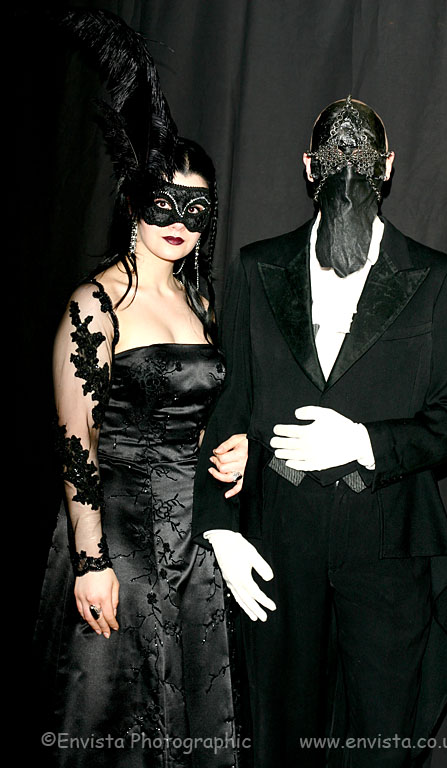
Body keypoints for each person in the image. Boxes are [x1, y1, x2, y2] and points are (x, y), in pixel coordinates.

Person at [193, 96, 447, 767]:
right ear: (307, 166)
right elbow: (227, 410)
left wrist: (366, 443)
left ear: (387, 166)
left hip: (387, 554)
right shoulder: (256, 269)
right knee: (280, 739)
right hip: (277, 552)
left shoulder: (436, 279)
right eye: (333, 158)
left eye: (361, 158)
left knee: (379, 743)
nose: (347, 169)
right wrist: (219, 528)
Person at [34, 11, 247, 768]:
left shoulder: (200, 303)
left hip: (191, 543)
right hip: (118, 536)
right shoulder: (95, 305)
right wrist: (91, 560)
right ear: (134, 199)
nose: (180, 222)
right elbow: (77, 443)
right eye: (165, 202)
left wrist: (228, 450)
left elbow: (195, 415)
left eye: (197, 208)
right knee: (114, 721)